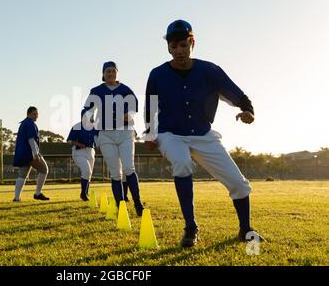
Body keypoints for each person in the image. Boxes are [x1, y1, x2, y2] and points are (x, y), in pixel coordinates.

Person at [144, 19, 264, 247]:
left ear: (192, 43)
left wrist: (248, 110)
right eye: (174, 46)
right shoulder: (157, 74)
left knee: (239, 184)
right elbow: (150, 106)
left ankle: (245, 229)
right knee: (181, 162)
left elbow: (235, 93)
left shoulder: (210, 70)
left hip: (203, 133)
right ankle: (191, 227)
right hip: (171, 134)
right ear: (168, 47)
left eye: (183, 45)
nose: (179, 51)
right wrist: (150, 134)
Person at [81, 61, 144, 216]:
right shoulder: (96, 91)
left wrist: (128, 116)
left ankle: (138, 204)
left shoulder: (125, 89)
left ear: (117, 73)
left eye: (113, 71)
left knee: (129, 168)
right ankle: (121, 207)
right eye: (107, 71)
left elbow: (134, 107)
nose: (110, 74)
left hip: (125, 132)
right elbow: (87, 110)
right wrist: (88, 118)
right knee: (116, 173)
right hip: (106, 134)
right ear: (103, 74)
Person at [13, 106, 50, 201]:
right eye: (34, 114)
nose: (36, 116)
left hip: (22, 154)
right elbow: (31, 139)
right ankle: (38, 193)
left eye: (37, 114)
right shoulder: (30, 123)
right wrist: (35, 154)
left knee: (22, 175)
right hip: (30, 154)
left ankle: (16, 198)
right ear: (29, 114)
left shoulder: (24, 123)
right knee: (44, 169)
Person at [67, 121, 98, 201]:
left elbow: (98, 138)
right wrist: (79, 144)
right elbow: (69, 140)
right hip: (79, 151)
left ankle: (86, 193)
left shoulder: (94, 126)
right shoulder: (77, 126)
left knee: (89, 173)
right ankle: (83, 194)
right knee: (87, 171)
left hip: (91, 150)